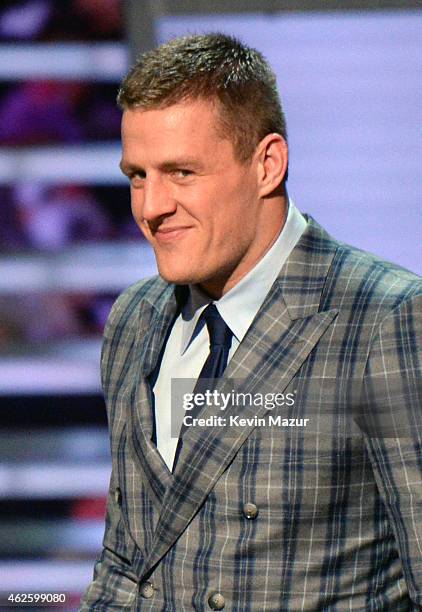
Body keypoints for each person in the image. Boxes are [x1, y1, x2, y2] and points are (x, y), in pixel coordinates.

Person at [80, 33, 422, 610]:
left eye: (181, 172)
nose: (150, 207)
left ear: (268, 165)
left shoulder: (382, 321)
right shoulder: (134, 320)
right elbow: (127, 564)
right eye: (137, 175)